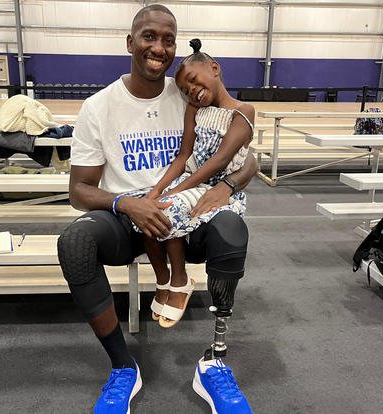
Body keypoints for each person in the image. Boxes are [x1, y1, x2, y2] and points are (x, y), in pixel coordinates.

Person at [57, 4, 256, 414]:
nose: (159, 47)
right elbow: (78, 190)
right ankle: (122, 367)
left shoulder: (188, 92)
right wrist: (126, 203)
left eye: (168, 39)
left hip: (190, 211)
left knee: (233, 230)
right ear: (130, 42)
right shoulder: (99, 107)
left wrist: (229, 186)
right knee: (75, 242)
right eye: (149, 36)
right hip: (127, 218)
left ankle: (214, 362)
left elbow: (245, 157)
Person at [141, 38, 255, 329]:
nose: (190, 89)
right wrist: (156, 191)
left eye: (192, 80)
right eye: (184, 88)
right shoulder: (195, 108)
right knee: (143, 207)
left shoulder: (243, 111)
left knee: (164, 210)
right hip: (189, 180)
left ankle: (180, 279)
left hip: (214, 186)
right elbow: (183, 155)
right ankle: (163, 279)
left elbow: (218, 161)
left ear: (214, 68)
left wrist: (176, 191)